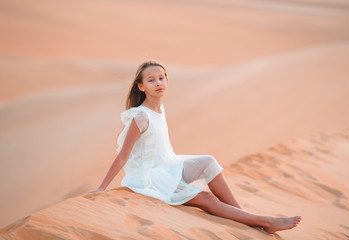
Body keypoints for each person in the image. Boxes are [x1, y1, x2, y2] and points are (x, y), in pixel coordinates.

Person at [88, 60, 301, 235]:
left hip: (168, 165)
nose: (158, 83)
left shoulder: (159, 107)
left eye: (161, 78)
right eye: (151, 80)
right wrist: (101, 187)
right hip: (150, 178)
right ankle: (265, 221)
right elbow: (123, 155)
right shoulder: (141, 116)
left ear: (167, 80)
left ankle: (244, 216)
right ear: (141, 86)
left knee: (208, 161)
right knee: (207, 199)